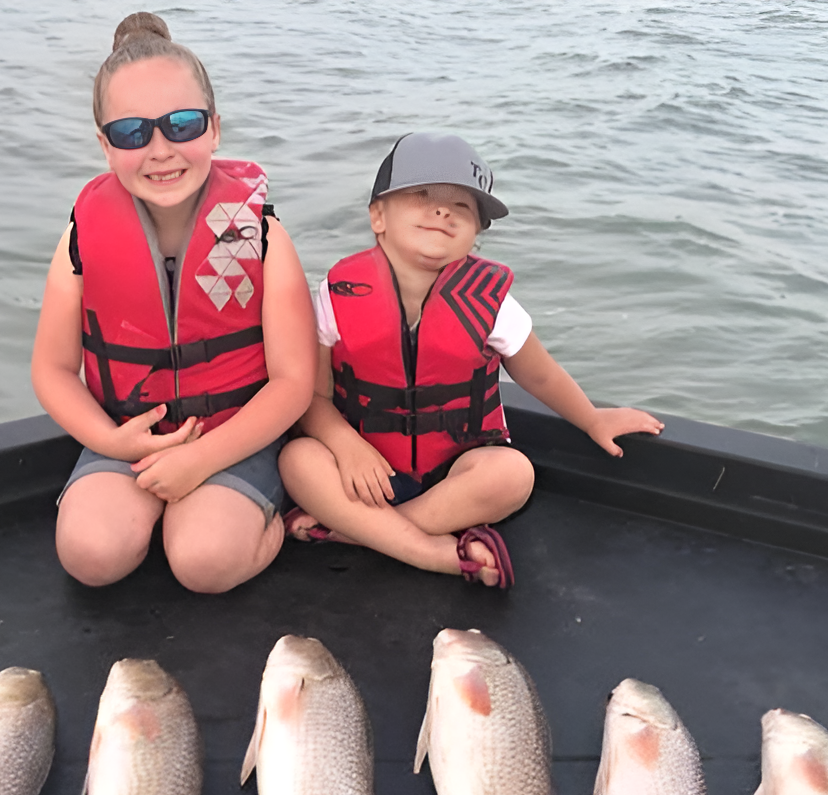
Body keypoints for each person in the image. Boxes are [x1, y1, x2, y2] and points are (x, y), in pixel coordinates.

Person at [279, 132, 664, 588]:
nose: (442, 211)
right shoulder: (337, 294)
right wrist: (345, 447)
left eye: (461, 207)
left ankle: (363, 534)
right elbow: (313, 396)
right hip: (366, 469)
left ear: (475, 233)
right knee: (299, 458)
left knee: (513, 474)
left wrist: (592, 419)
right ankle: (430, 550)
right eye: (422, 196)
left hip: (456, 471)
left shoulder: (493, 304)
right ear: (377, 216)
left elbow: (539, 374)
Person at [31, 13, 314, 593]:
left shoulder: (261, 234)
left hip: (234, 433)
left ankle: (270, 520)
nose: (161, 150)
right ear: (106, 146)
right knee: (89, 556)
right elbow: (53, 369)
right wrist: (111, 442)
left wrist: (202, 459)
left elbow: (293, 382)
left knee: (204, 564)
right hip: (128, 433)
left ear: (214, 129)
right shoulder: (81, 239)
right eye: (133, 133)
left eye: (182, 124)